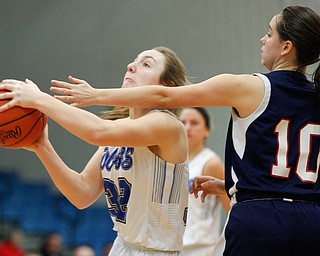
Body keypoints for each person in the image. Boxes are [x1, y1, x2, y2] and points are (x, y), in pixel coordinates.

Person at [36, 5, 320, 256]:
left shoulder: (246, 89)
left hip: (254, 222)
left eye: (269, 34)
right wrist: (234, 188)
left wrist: (92, 95)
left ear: (286, 47)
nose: (262, 39)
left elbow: (162, 99)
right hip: (311, 220)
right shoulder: (314, 95)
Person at [0, 46, 189, 256]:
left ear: (167, 86)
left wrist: (39, 99)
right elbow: (82, 194)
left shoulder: (168, 126)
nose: (131, 66)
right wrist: (41, 146)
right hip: (122, 246)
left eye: (146, 64)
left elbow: (96, 132)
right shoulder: (119, 130)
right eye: (134, 61)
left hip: (157, 251)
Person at [180, 107, 230, 256]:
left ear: (206, 130)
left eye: (194, 123)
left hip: (202, 250)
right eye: (183, 122)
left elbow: (232, 210)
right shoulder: (173, 162)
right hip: (174, 247)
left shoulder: (210, 163)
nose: (188, 127)